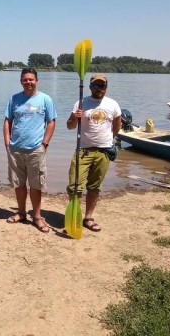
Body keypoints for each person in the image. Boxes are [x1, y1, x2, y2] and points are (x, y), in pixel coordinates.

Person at [66, 73, 121, 232]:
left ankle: (88, 217)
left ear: (106, 87)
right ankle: (74, 215)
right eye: (96, 85)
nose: (99, 88)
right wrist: (75, 118)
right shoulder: (81, 103)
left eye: (102, 85)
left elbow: (116, 127)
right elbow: (69, 126)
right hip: (83, 150)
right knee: (74, 186)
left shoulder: (113, 104)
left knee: (95, 186)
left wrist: (107, 141)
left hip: (103, 152)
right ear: (90, 87)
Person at [3, 68, 56, 233]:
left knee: (36, 185)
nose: (28, 82)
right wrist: (7, 143)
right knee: (18, 184)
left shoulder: (45, 99)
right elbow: (7, 121)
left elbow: (51, 122)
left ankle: (38, 216)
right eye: (25, 80)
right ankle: (21, 212)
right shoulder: (14, 99)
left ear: (37, 81)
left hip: (36, 149)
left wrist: (45, 144)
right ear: (21, 81)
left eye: (31, 79)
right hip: (16, 149)